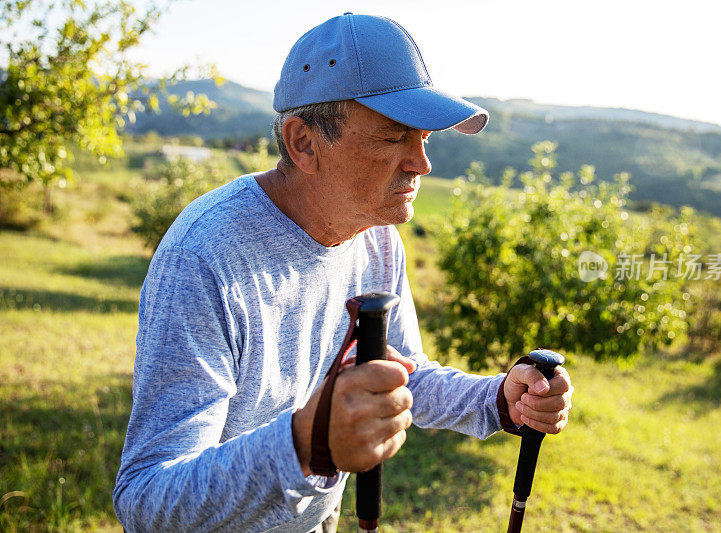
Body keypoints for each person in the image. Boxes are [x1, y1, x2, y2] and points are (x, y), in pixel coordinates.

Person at [113, 13, 574, 533]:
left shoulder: (376, 237)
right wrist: (307, 444)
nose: (421, 163)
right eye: (394, 135)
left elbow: (401, 373)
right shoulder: (205, 256)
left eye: (424, 138)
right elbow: (148, 499)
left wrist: (495, 400)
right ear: (303, 142)